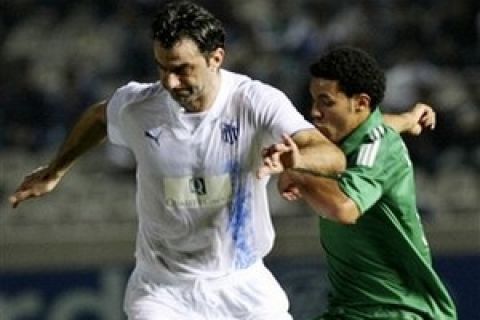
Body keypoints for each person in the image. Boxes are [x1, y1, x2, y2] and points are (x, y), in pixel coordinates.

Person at [8, 2, 437, 319]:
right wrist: (56, 170)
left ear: (216, 57)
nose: (170, 81)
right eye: (162, 68)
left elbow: (330, 153)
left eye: (182, 69)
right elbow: (101, 115)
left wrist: (297, 159)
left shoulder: (256, 102)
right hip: (163, 290)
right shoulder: (141, 105)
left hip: (243, 284)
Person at [261, 47, 457, 320]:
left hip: (398, 310)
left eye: (326, 102)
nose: (314, 112)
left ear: (361, 103)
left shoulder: (379, 146)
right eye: (314, 101)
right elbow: (386, 122)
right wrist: (410, 120)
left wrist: (299, 173)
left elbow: (344, 208)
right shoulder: (350, 136)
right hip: (353, 309)